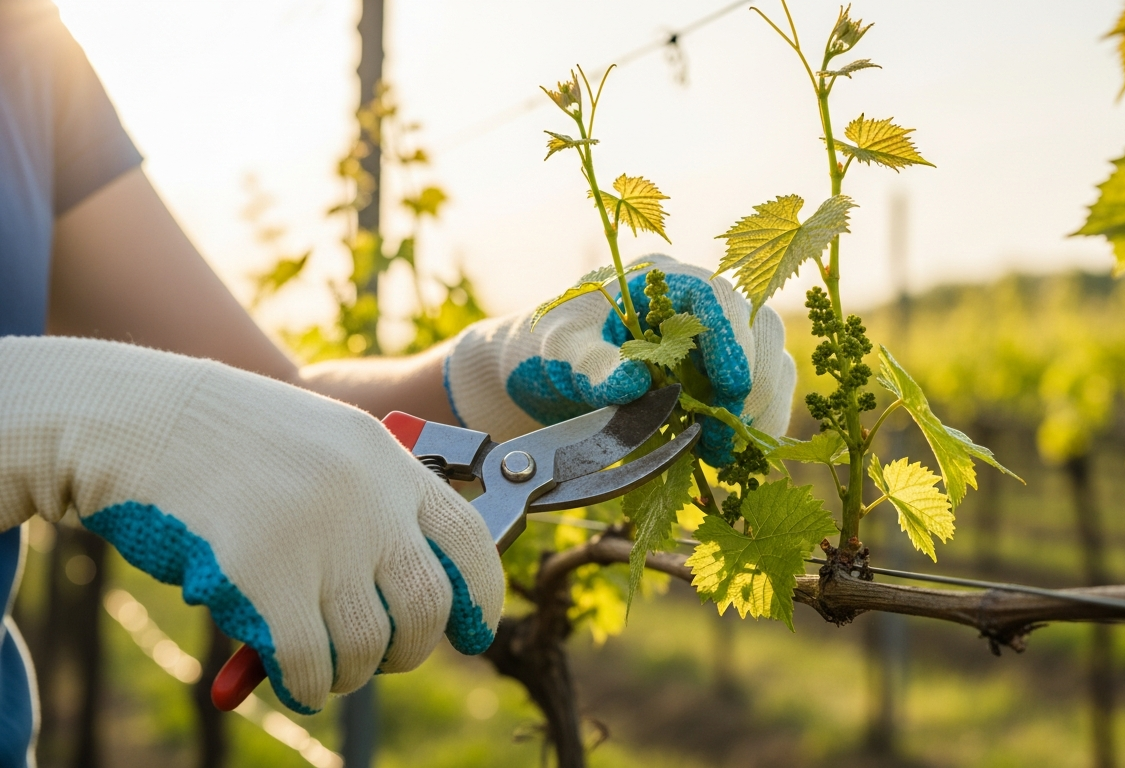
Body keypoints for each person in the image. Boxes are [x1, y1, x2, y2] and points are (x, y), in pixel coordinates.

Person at [0, 0, 796, 763]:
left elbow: (275, 395)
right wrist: (59, 414)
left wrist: (495, 370)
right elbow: (153, 409)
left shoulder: (27, 45)